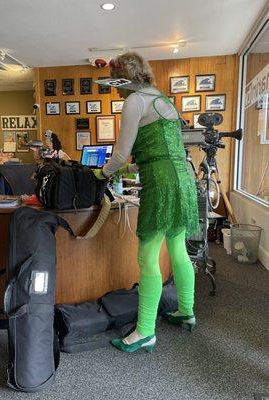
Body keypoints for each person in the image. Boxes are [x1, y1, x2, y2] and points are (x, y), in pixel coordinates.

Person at [94, 52, 199, 353]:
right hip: (183, 180)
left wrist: (100, 173)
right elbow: (160, 151)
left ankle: (144, 331)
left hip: (162, 185)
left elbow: (119, 154)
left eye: (115, 81)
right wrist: (128, 169)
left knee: (147, 256)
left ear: (123, 77)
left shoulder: (134, 101)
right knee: (178, 247)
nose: (114, 89)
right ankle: (187, 311)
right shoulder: (163, 99)